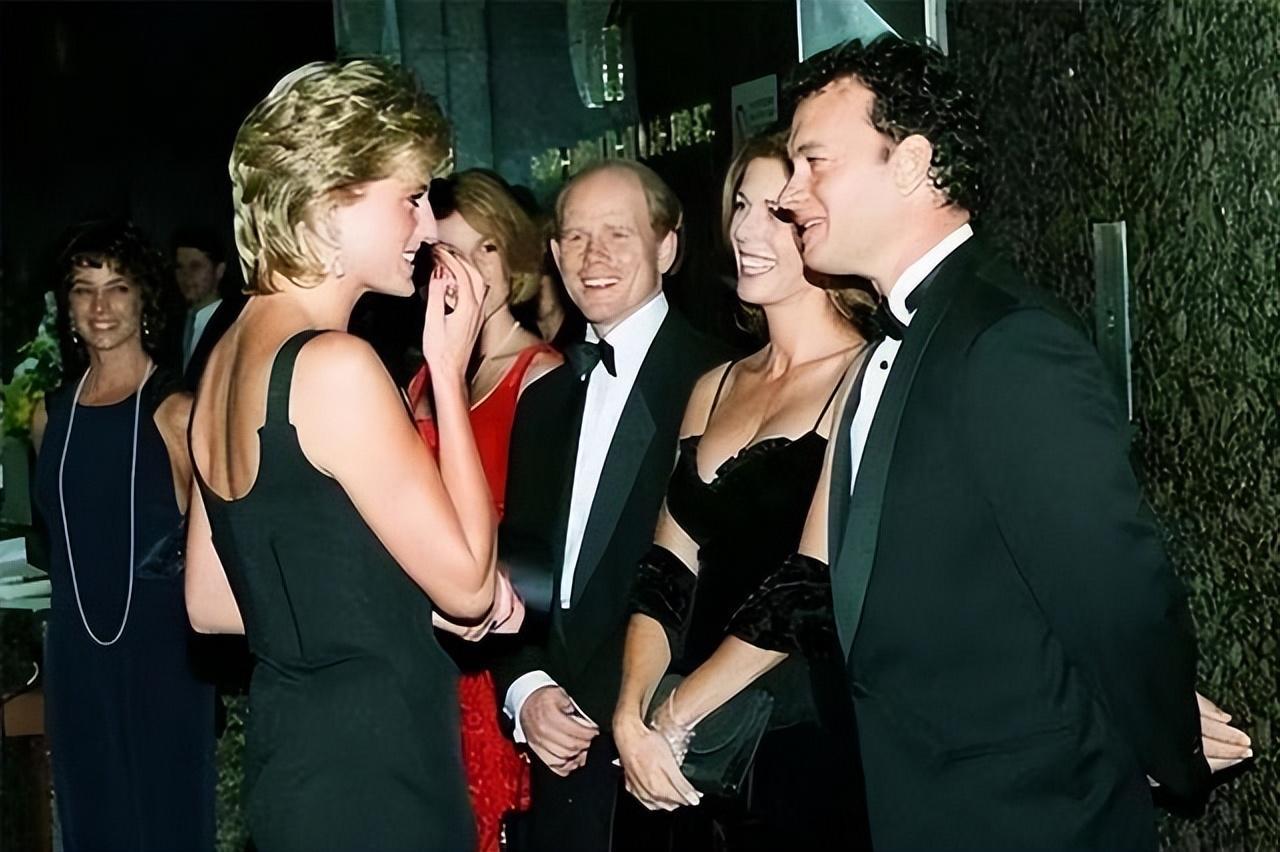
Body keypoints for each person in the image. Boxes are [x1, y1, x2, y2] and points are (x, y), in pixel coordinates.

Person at [758, 35, 1215, 848]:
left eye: (813, 162)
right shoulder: (901, 339)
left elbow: (1113, 589)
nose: (789, 194)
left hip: (1031, 816)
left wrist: (1163, 744)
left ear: (910, 164)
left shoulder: (1008, 342)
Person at [183, 59, 517, 852]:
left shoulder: (224, 360)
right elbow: (471, 586)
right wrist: (447, 369)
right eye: (411, 198)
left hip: (292, 768)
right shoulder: (334, 366)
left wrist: (388, 602)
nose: (429, 228)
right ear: (331, 202)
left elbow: (212, 602)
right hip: (381, 775)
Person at [612, 131, 873, 850]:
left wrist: (673, 718)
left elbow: (808, 585)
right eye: (740, 206)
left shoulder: (865, 377)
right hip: (685, 748)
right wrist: (630, 713)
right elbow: (666, 571)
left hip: (798, 742)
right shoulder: (713, 386)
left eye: (777, 212)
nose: (747, 231)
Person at [494, 159, 731, 851]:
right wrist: (526, 689)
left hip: (663, 758)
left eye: (617, 235)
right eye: (574, 237)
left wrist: (600, 705)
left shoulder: (720, 383)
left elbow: (711, 586)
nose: (592, 256)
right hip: (553, 768)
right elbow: (522, 568)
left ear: (667, 247)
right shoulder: (543, 396)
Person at [31, 219, 215, 852]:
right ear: (67, 306)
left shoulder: (177, 412)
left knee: (165, 825)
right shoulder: (48, 416)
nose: (100, 306)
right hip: (75, 656)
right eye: (84, 290)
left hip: (162, 658)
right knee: (89, 824)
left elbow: (213, 553)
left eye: (118, 288)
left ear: (144, 300)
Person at [407, 168, 562, 852]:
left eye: (486, 248)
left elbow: (543, 545)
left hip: (492, 637)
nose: (468, 269)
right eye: (450, 253)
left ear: (515, 255)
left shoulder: (541, 373)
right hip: (423, 643)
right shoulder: (423, 374)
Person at [172, 226, 227, 370]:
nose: (185, 275)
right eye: (179, 267)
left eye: (195, 267)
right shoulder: (173, 326)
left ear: (219, 271)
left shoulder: (232, 326)